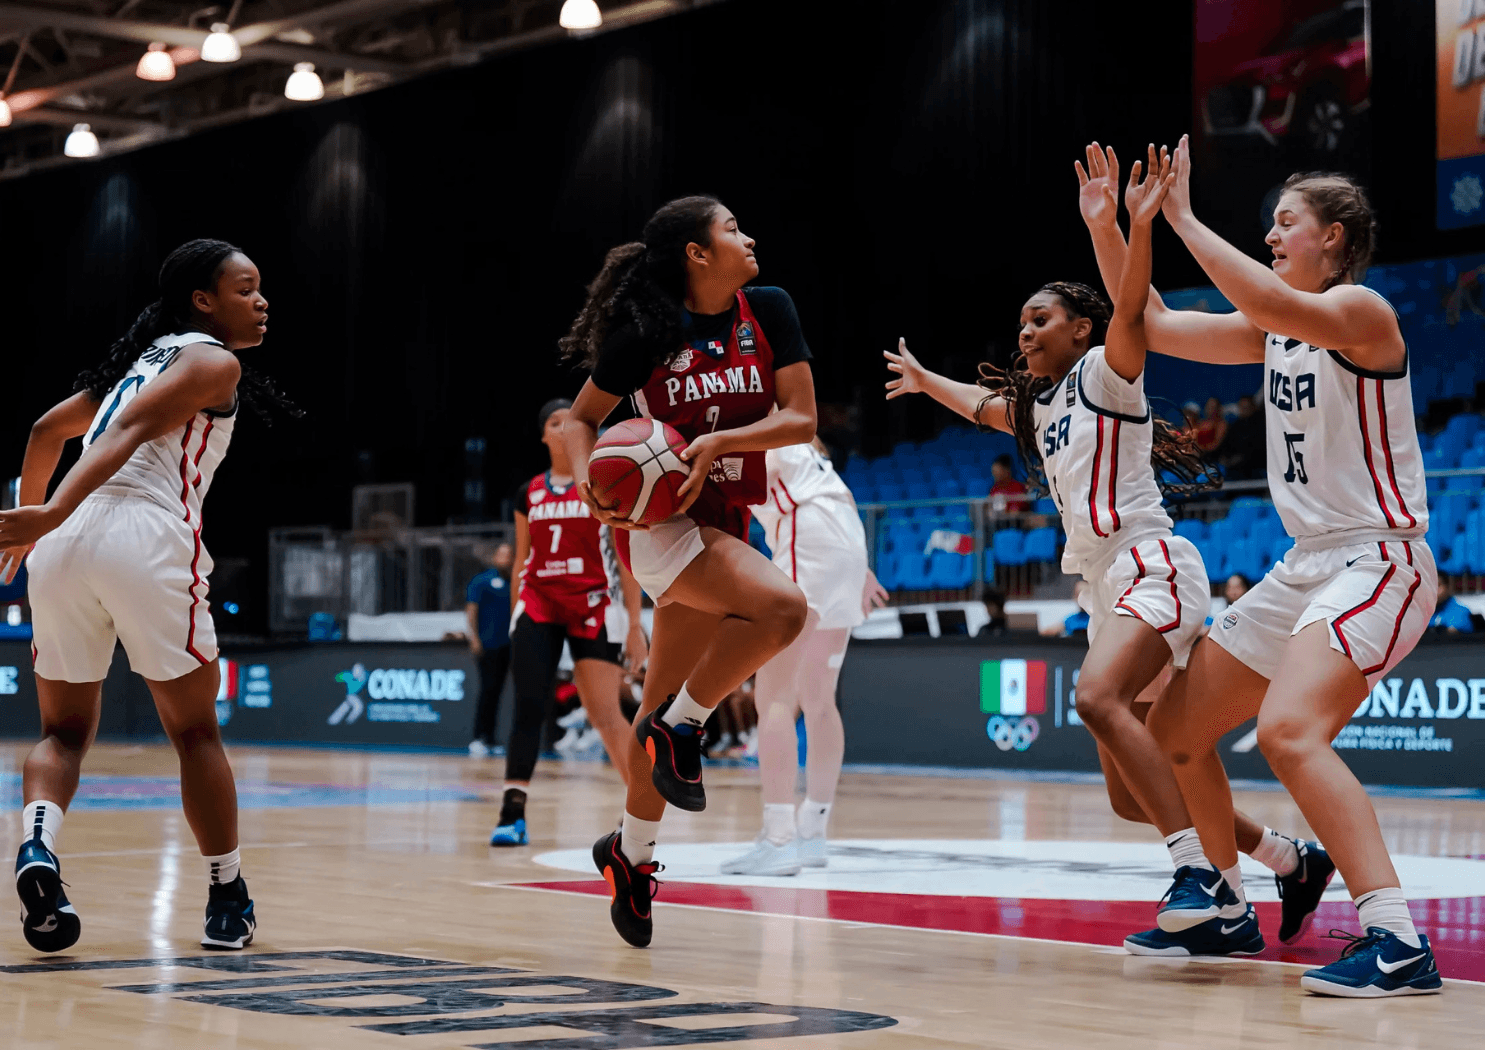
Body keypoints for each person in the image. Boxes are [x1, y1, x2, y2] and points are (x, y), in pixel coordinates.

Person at [889, 149, 1318, 959]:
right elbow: (983, 406)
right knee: (1132, 793)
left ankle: (1198, 879)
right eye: (1020, 322)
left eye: (1039, 318)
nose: (1024, 331)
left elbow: (1132, 307)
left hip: (1149, 563)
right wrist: (923, 379)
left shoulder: (1104, 375)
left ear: (1080, 329)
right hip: (1102, 590)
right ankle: (1288, 862)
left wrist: (1117, 224)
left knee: (1093, 696)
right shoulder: (1037, 408)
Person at [1089, 137, 1440, 996]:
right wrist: (1117, 229)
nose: (1274, 234)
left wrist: (1180, 217)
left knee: (1288, 732)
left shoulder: (1360, 312)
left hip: (1379, 557)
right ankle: (1226, 909)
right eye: (1271, 225)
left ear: (1334, 238)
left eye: (1286, 223)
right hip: (1305, 565)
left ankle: (1396, 940)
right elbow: (1153, 324)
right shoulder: (1273, 329)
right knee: (1171, 736)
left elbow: (1266, 296)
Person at [0, 239, 294, 953]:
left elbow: (44, 431)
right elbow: (132, 433)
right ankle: (227, 897)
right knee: (195, 732)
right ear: (203, 300)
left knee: (62, 732)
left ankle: (38, 847)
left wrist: (33, 526)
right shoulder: (213, 362)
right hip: (143, 534)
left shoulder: (137, 363)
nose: (261, 301)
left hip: (65, 551)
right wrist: (46, 515)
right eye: (245, 288)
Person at [559, 196, 816, 947]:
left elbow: (799, 416)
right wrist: (587, 485)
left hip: (728, 518)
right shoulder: (643, 333)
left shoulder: (765, 309)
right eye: (733, 227)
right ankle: (687, 728)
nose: (749, 234)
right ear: (697, 253)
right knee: (783, 609)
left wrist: (717, 444)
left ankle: (629, 856)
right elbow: (581, 419)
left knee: (652, 716)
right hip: (666, 525)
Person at [721, 438, 888, 875]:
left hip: (807, 539)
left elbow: (743, 484)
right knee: (819, 698)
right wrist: (862, 569)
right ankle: (813, 832)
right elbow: (845, 496)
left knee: (773, 697)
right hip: (848, 545)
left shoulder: (755, 431)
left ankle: (779, 838)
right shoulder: (808, 449)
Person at [489, 399, 649, 846]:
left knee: (606, 715)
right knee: (528, 707)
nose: (563, 430)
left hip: (593, 603)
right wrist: (517, 615)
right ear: (543, 436)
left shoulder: (604, 485)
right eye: (554, 424)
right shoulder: (529, 492)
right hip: (539, 603)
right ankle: (511, 813)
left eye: (570, 424)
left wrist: (635, 625)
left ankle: (641, 811)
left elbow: (626, 559)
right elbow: (522, 557)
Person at [466, 541, 514, 757]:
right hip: (488, 645)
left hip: (508, 645)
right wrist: (474, 638)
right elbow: (471, 610)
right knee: (487, 689)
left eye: (509, 555)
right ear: (495, 557)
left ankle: (492, 739)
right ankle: (478, 737)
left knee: (498, 692)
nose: (506, 559)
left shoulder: (515, 581)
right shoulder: (482, 581)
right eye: (502, 554)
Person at [1220, 394, 1265, 480]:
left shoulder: (1262, 425)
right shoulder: (1235, 425)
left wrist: (1241, 458)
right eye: (1241, 407)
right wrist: (1225, 458)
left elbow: (1259, 447)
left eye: (1246, 407)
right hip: (1234, 469)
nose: (1244, 410)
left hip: (1255, 469)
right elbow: (1226, 444)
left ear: (1253, 407)